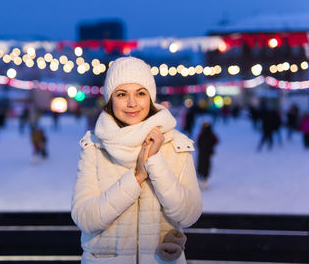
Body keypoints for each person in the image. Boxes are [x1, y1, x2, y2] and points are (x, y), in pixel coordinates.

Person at [71, 56, 202, 263]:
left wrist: (155, 161)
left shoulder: (175, 144)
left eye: (140, 93)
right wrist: (137, 176)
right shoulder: (95, 147)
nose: (132, 103)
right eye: (122, 94)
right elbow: (86, 219)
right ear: (110, 99)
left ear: (150, 98)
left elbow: (188, 215)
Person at [196, 121, 218, 190]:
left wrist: (209, 147)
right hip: (203, 152)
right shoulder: (205, 133)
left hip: (206, 152)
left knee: (205, 166)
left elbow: (216, 140)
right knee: (202, 166)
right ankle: (202, 180)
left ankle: (204, 181)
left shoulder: (208, 133)